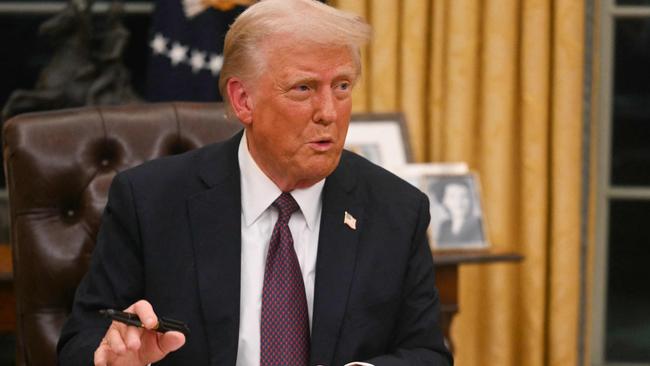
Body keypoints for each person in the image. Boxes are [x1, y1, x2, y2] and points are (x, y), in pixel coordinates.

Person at [57, 1, 453, 365]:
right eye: (304, 88)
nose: (329, 113)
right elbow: (82, 340)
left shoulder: (396, 210)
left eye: (343, 86)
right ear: (243, 100)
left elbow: (427, 353)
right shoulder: (150, 202)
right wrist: (110, 359)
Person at [435, 180, 483, 246]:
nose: (458, 202)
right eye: (452, 197)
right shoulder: (444, 226)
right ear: (444, 201)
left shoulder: (479, 225)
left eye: (464, 196)